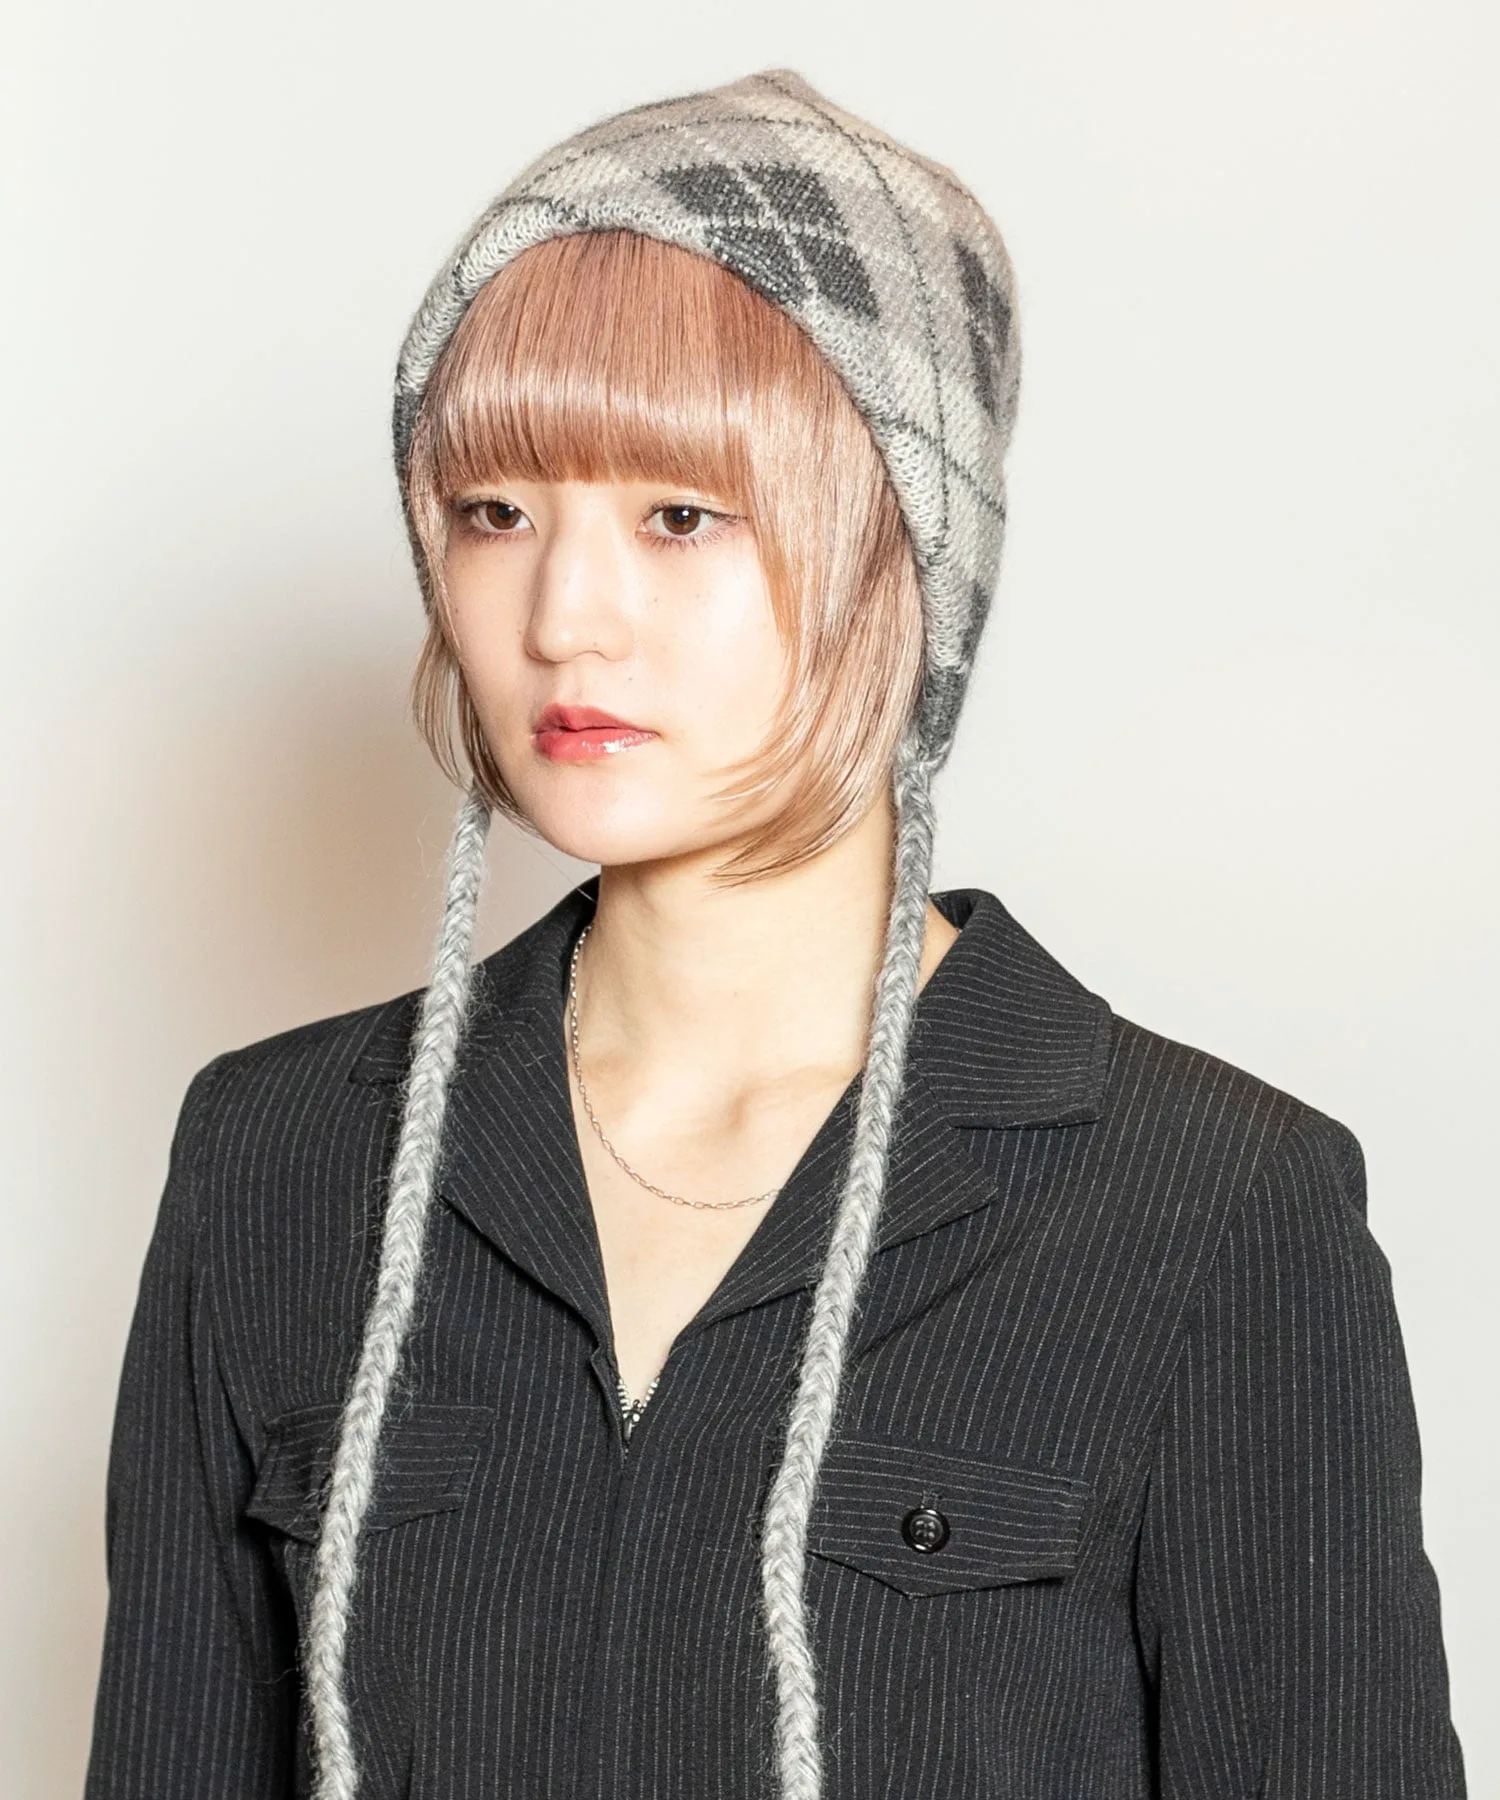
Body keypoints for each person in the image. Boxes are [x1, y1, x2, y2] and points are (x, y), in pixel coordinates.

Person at [83, 67, 1466, 1800]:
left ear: (902, 561)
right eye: (496, 512)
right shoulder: (273, 1157)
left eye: (681, 515)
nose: (565, 619)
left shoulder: (1211, 1207)